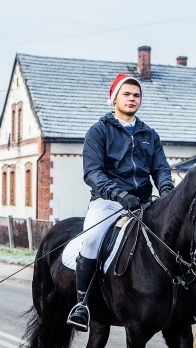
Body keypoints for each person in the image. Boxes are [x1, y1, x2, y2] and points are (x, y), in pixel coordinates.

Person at [67, 73, 175, 331]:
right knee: (91, 240)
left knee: (174, 239)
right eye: (126, 94)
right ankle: (82, 304)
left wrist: (166, 192)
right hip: (108, 202)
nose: (132, 99)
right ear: (114, 98)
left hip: (144, 203)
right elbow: (93, 172)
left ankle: (182, 303)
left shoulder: (150, 134)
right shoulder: (99, 131)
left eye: (136, 95)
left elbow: (161, 169)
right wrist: (118, 194)